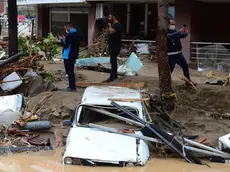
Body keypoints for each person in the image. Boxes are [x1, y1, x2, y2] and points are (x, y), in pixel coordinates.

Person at [60, 23, 80, 91]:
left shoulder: (70, 35)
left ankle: (72, 87)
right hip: (74, 54)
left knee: (69, 71)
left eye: (65, 29)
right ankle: (72, 86)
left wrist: (62, 40)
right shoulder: (77, 34)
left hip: (68, 55)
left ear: (68, 27)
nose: (65, 30)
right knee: (71, 70)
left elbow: (65, 45)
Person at [104, 13, 122, 82]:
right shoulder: (114, 25)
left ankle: (112, 77)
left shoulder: (117, 25)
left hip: (115, 46)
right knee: (113, 61)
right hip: (113, 46)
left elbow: (111, 32)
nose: (108, 19)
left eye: (110, 17)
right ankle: (114, 75)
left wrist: (109, 26)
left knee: (113, 61)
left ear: (114, 17)